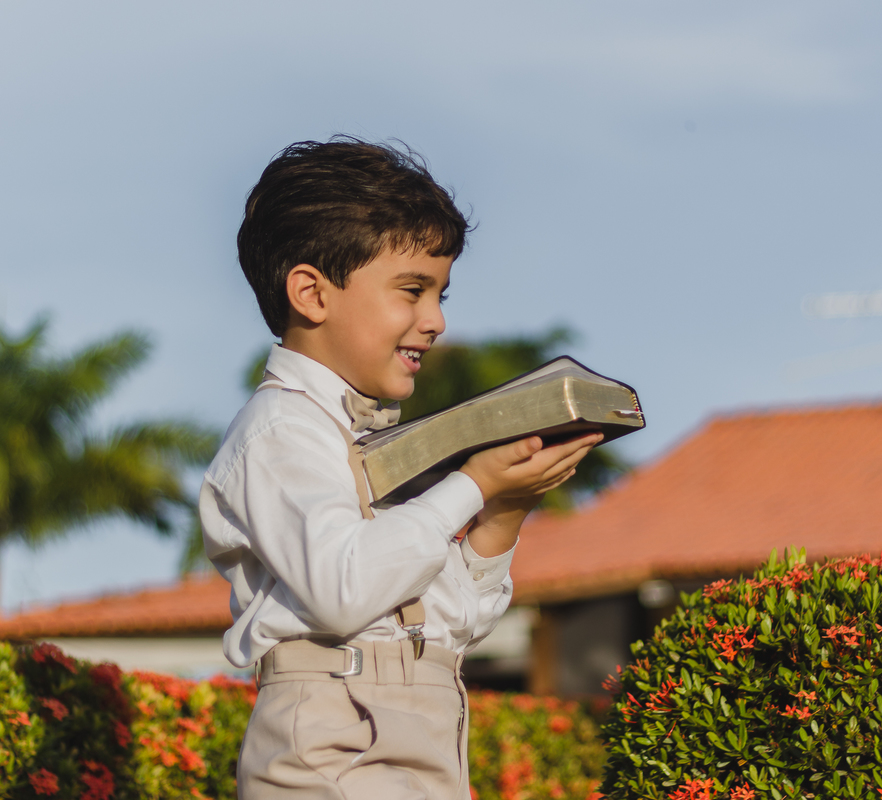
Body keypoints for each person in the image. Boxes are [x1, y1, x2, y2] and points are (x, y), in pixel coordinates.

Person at [200, 137, 601, 800]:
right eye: (411, 291)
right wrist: (470, 485)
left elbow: (450, 624)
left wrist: (503, 511)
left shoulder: (369, 436)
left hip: (421, 736)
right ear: (311, 292)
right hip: (335, 747)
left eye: (440, 294)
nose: (436, 320)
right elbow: (342, 587)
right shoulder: (280, 430)